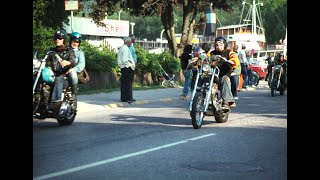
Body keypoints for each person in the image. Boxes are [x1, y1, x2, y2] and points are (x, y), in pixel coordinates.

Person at [210, 36, 240, 109]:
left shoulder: (229, 52)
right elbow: (205, 58)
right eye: (217, 45)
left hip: (224, 75)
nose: (218, 47)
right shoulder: (211, 53)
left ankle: (227, 101)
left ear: (225, 45)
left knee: (225, 79)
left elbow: (235, 59)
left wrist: (232, 61)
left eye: (221, 45)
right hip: (213, 75)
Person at [49, 30, 76, 103]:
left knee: (58, 79)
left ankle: (55, 102)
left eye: (60, 38)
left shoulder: (69, 51)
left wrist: (68, 62)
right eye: (56, 38)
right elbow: (43, 59)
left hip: (63, 76)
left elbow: (73, 61)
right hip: (51, 75)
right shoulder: (51, 51)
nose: (58, 40)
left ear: (64, 40)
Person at [64, 32, 86, 101]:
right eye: (73, 41)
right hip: (63, 70)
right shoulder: (65, 50)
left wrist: (73, 69)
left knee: (73, 73)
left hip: (73, 71)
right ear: (70, 41)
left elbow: (82, 64)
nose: (75, 43)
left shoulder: (80, 53)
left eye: (77, 42)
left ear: (79, 43)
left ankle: (74, 94)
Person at [118, 36, 136, 103]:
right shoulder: (125, 49)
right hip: (127, 68)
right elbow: (125, 60)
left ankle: (125, 98)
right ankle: (127, 98)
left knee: (125, 83)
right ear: (128, 41)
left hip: (124, 68)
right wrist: (130, 66)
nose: (131, 42)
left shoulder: (123, 47)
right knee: (128, 83)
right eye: (131, 41)